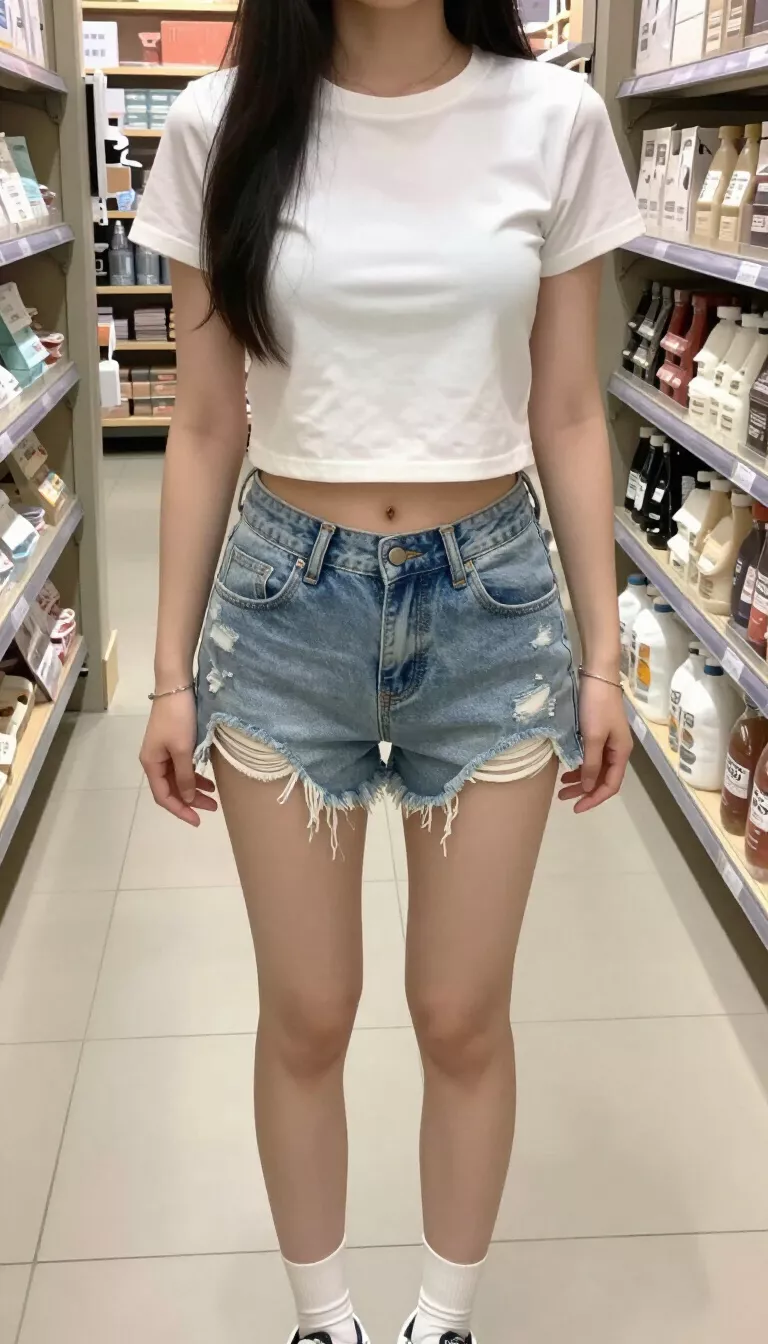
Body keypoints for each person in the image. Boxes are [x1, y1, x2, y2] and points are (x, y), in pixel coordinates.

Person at [132, 1, 642, 1340]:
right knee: (306, 1009)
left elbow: (572, 408)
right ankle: (324, 1321)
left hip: (495, 608)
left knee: (461, 1012)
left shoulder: (553, 120)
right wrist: (168, 672)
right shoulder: (218, 124)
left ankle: (441, 1320)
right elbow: (201, 423)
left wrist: (604, 653)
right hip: (282, 607)